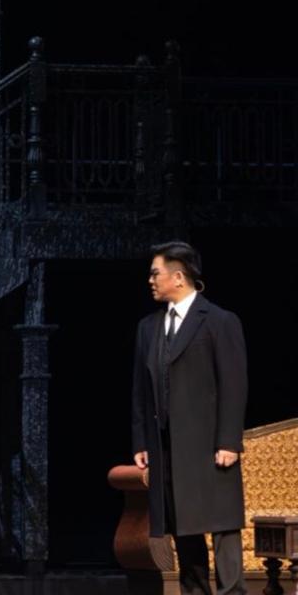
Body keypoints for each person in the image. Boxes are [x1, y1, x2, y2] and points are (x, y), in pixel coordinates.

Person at [131, 241, 248, 595]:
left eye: (156, 273)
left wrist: (229, 441)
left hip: (210, 444)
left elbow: (234, 383)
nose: (150, 280)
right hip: (167, 445)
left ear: (178, 277)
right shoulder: (149, 327)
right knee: (183, 524)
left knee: (223, 523)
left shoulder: (219, 321)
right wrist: (141, 441)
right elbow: (141, 389)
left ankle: (232, 592)